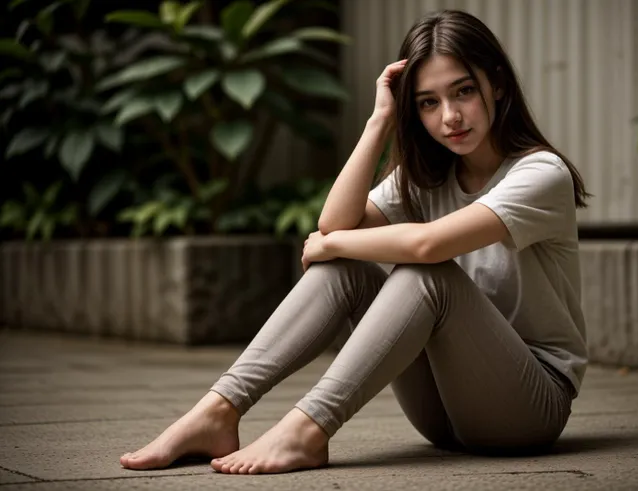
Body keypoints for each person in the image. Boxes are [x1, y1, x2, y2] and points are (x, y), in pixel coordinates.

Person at [120, 8, 591, 475]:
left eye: (464, 91)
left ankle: (308, 429)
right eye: (428, 102)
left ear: (498, 83)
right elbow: (333, 224)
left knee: (427, 275)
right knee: (344, 267)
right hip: (444, 414)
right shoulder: (428, 177)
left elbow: (426, 247)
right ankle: (218, 411)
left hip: (528, 407)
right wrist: (380, 121)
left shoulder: (540, 173)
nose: (450, 117)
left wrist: (335, 244)